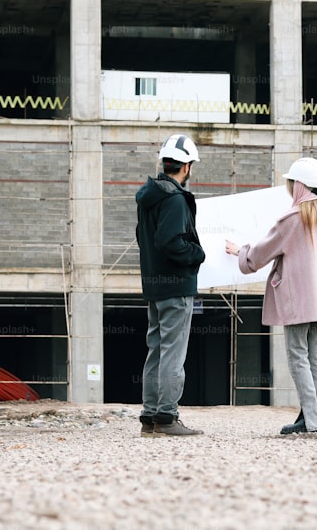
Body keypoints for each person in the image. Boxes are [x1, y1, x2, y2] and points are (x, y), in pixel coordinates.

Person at [225, 157, 317, 435]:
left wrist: (240, 251)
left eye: (291, 183)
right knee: (316, 358)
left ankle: (312, 421)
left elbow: (258, 256)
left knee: (298, 357)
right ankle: (316, 419)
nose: (290, 187)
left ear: (299, 185)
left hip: (297, 300)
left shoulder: (292, 219)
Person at [136, 133, 205, 437]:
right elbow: (170, 242)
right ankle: (167, 417)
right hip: (176, 288)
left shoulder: (148, 197)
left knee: (156, 350)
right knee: (173, 355)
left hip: (155, 285)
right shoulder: (175, 199)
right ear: (186, 166)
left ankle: (150, 417)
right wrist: (197, 254)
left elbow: (143, 237)